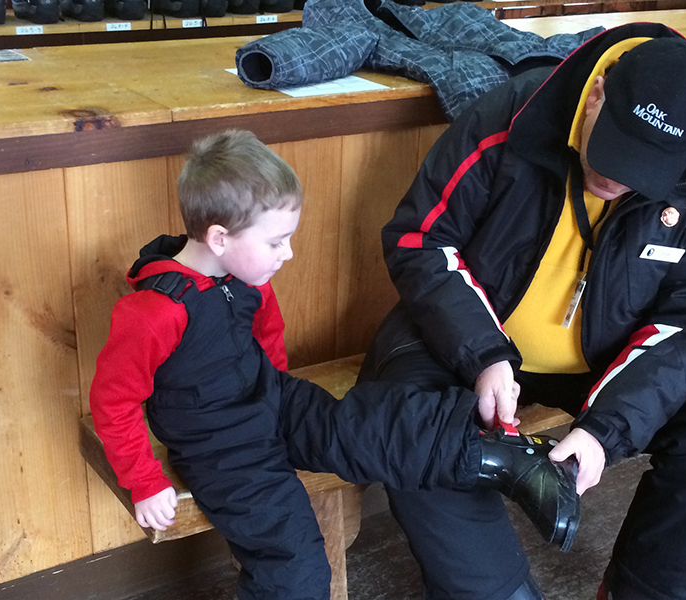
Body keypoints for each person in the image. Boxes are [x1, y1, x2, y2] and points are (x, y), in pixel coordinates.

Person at [358, 23, 686, 600]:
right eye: (612, 152)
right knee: (410, 423)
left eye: (643, 172)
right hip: (470, 339)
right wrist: (485, 357)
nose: (615, 179)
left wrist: (605, 430)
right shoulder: (509, 115)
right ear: (597, 94)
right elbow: (420, 242)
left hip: (609, 354)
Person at [88, 130, 581, 600]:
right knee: (294, 562)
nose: (289, 252)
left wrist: (276, 390)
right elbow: (114, 401)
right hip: (220, 446)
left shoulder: (244, 274)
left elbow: (267, 334)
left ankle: (497, 456)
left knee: (367, 423)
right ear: (219, 237)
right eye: (276, 241)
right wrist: (145, 482)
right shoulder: (155, 312)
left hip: (270, 400)